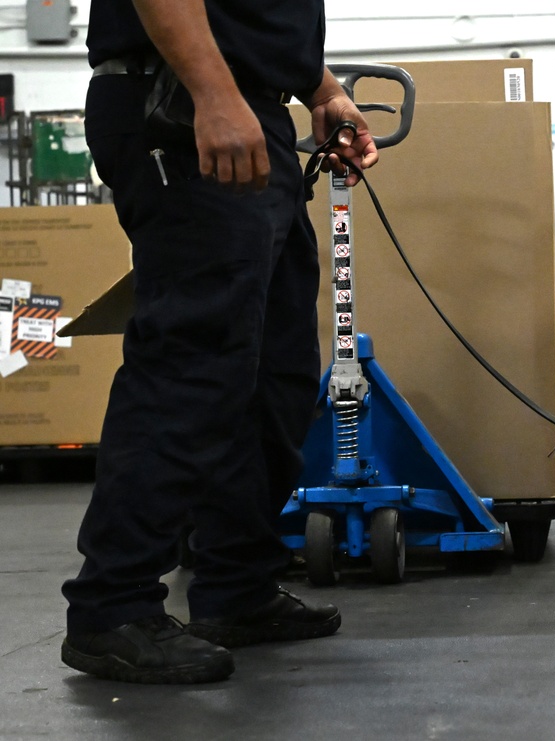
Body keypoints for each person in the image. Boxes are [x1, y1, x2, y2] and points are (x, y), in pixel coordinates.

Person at [60, 0, 378, 684]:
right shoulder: (204, 90)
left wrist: (319, 89)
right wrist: (213, 91)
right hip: (180, 99)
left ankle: (238, 586)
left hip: (245, 102)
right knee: (191, 361)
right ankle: (111, 603)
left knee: (276, 369)